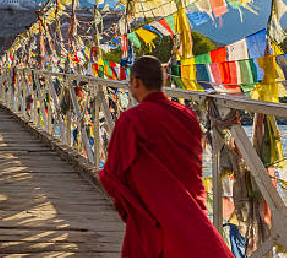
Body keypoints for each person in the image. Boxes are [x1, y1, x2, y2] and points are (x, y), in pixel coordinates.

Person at [98, 56, 233, 258]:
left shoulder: (131, 120)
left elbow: (113, 175)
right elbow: (194, 164)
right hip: (190, 210)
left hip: (150, 212)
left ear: (136, 81)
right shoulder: (186, 115)